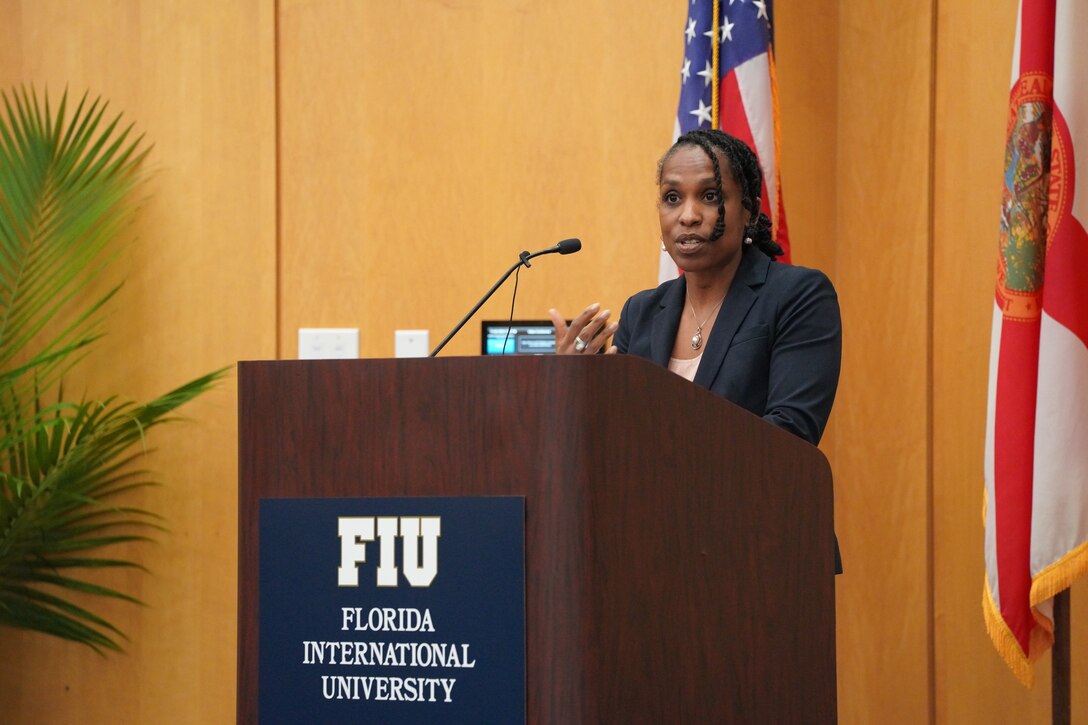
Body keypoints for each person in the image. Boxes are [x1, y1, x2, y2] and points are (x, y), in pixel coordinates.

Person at [549, 129, 842, 573]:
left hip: (761, 556)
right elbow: (619, 456)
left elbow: (789, 437)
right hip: (655, 554)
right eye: (671, 198)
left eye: (709, 196)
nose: (687, 215)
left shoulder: (796, 295)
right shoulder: (643, 312)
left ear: (748, 210)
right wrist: (579, 391)